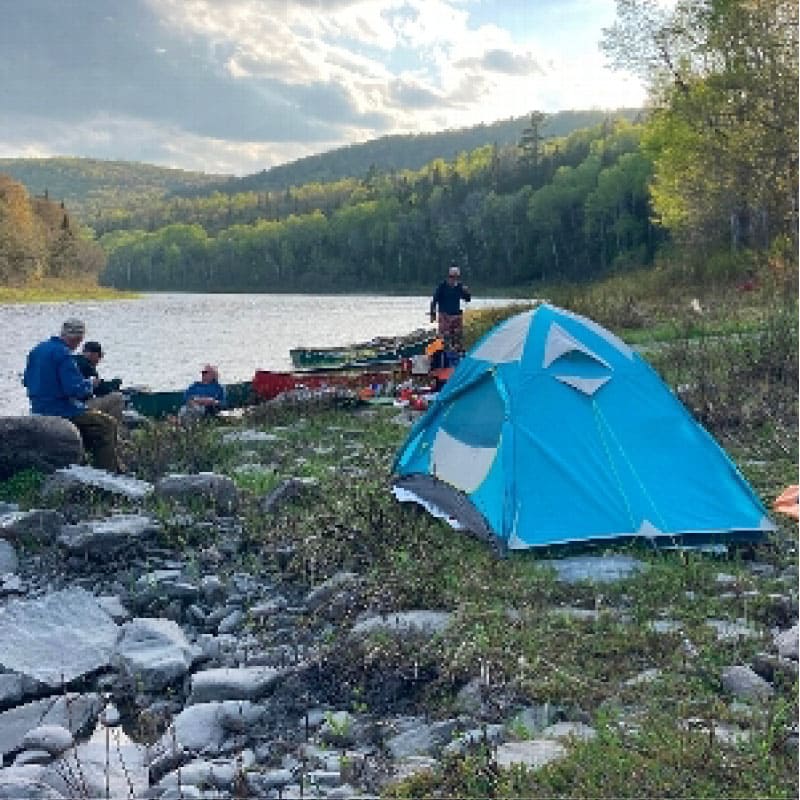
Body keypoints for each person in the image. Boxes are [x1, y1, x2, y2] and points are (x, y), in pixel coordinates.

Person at [23, 319, 124, 473]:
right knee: (107, 424)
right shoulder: (64, 354)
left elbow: (26, 381)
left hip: (38, 408)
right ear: (78, 339)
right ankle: (108, 472)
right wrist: (90, 384)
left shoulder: (37, 350)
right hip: (60, 410)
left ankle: (85, 459)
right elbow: (75, 390)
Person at [74, 340, 125, 422]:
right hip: (78, 406)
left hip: (64, 404)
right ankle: (114, 429)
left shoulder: (73, 360)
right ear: (93, 354)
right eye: (100, 356)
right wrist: (114, 384)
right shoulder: (86, 366)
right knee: (117, 397)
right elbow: (101, 390)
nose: (99, 359)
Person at [430, 262, 471, 353]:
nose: (454, 279)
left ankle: (457, 354)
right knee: (445, 338)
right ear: (449, 276)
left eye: (456, 277)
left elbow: (467, 299)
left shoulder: (460, 287)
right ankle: (443, 356)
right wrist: (432, 314)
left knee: (457, 338)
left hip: (456, 316)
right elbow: (434, 300)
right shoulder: (442, 286)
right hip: (444, 315)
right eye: (452, 277)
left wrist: (467, 292)